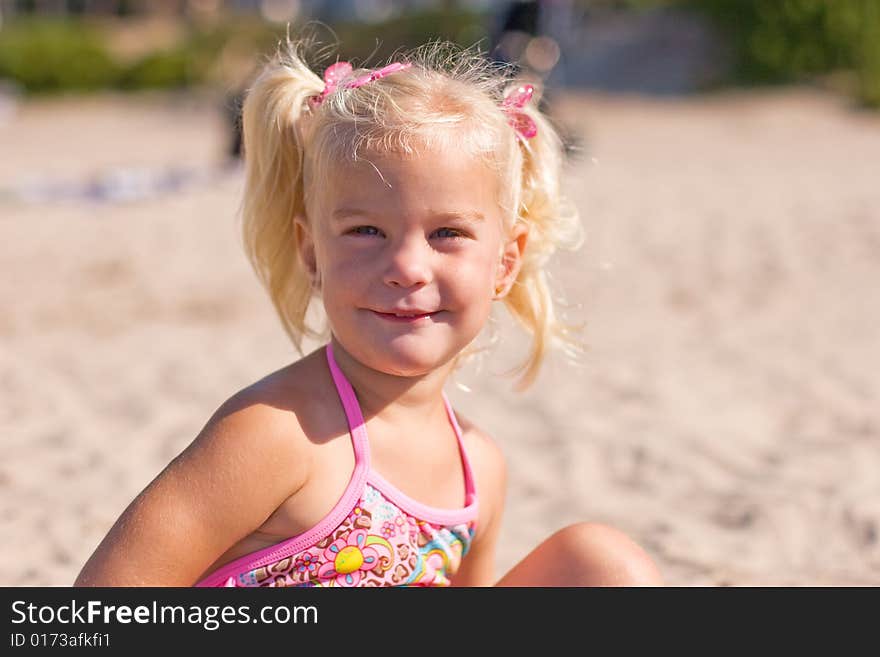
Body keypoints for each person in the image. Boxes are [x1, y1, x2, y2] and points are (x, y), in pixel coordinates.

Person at [74, 39, 662, 587]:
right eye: (366, 231)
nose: (406, 266)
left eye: (447, 233)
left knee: (603, 564)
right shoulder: (276, 434)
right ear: (312, 256)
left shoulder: (478, 468)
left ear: (505, 263)